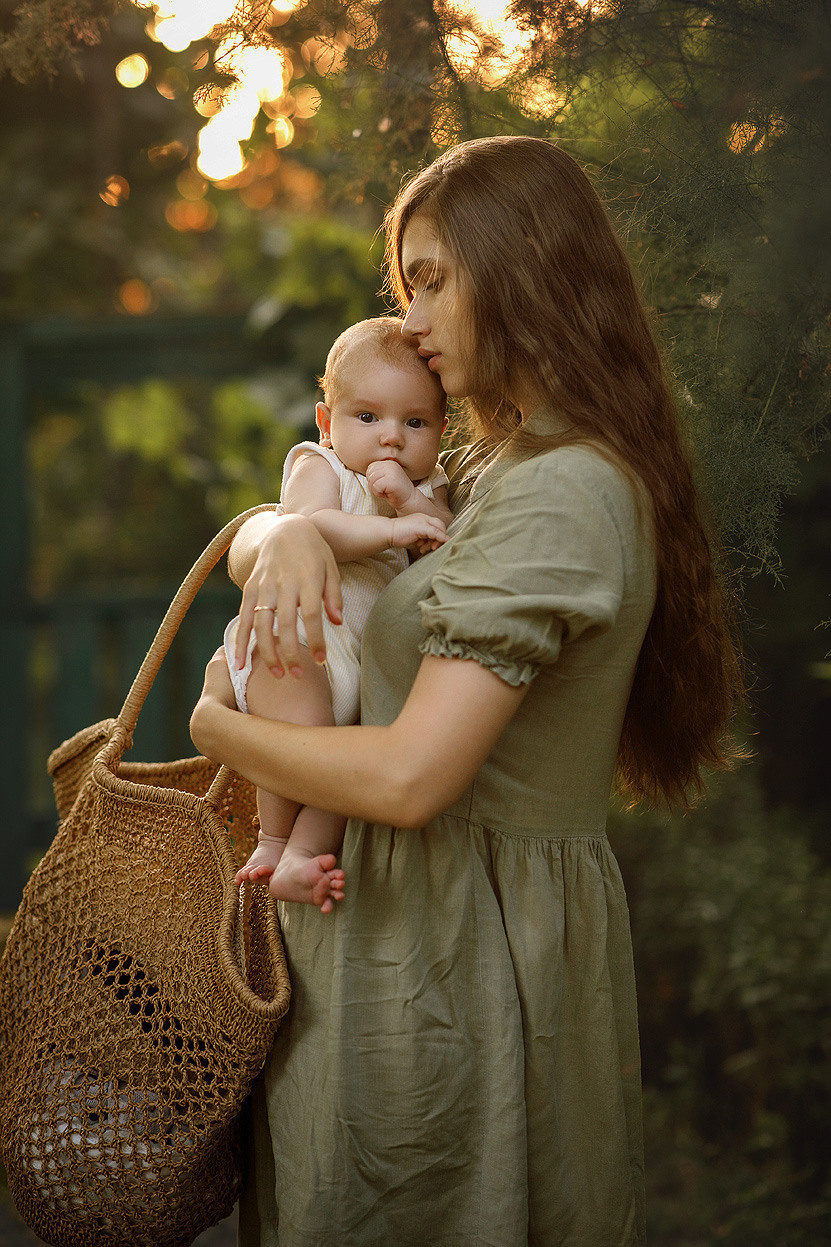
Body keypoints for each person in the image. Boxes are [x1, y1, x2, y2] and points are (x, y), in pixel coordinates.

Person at [190, 135, 744, 1246]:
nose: (414, 318)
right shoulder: (504, 473)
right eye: (408, 286)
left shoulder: (563, 494)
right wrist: (280, 531)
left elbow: (405, 775)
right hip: (400, 938)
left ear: (524, 265)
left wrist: (217, 725)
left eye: (435, 278)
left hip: (457, 968)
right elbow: (318, 510)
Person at [223, 316, 451, 912]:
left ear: (441, 431)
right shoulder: (319, 467)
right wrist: (394, 526)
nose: (391, 438)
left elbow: (447, 543)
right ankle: (273, 840)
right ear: (327, 423)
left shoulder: (429, 488)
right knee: (301, 737)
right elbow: (309, 529)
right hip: (298, 646)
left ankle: (298, 857)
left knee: (345, 768)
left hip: (363, 680)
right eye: (367, 417)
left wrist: (412, 501)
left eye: (415, 422)